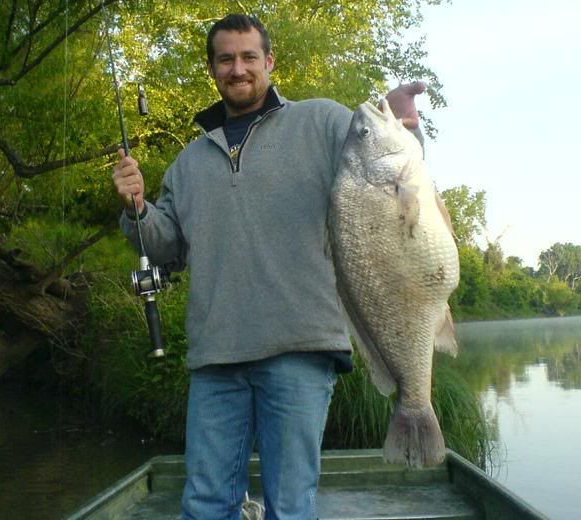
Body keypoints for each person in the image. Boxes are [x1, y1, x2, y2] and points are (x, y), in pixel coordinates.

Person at [112, 14, 425, 520]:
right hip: (216, 355)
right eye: (226, 59)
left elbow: (388, 163)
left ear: (269, 62)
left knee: (290, 506)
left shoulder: (321, 122)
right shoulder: (187, 164)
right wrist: (137, 208)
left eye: (248, 57)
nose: (238, 69)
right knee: (206, 502)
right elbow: (165, 246)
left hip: (301, 347)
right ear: (212, 69)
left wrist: (403, 120)